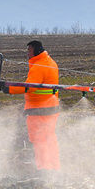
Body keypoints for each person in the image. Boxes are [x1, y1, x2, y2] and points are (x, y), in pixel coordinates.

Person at [5, 40, 60, 173]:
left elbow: (29, 86)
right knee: (49, 138)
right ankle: (54, 167)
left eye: (29, 50)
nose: (27, 53)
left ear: (36, 50)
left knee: (39, 140)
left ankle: (44, 169)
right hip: (51, 107)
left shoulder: (39, 66)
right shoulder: (50, 62)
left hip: (39, 109)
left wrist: (9, 89)